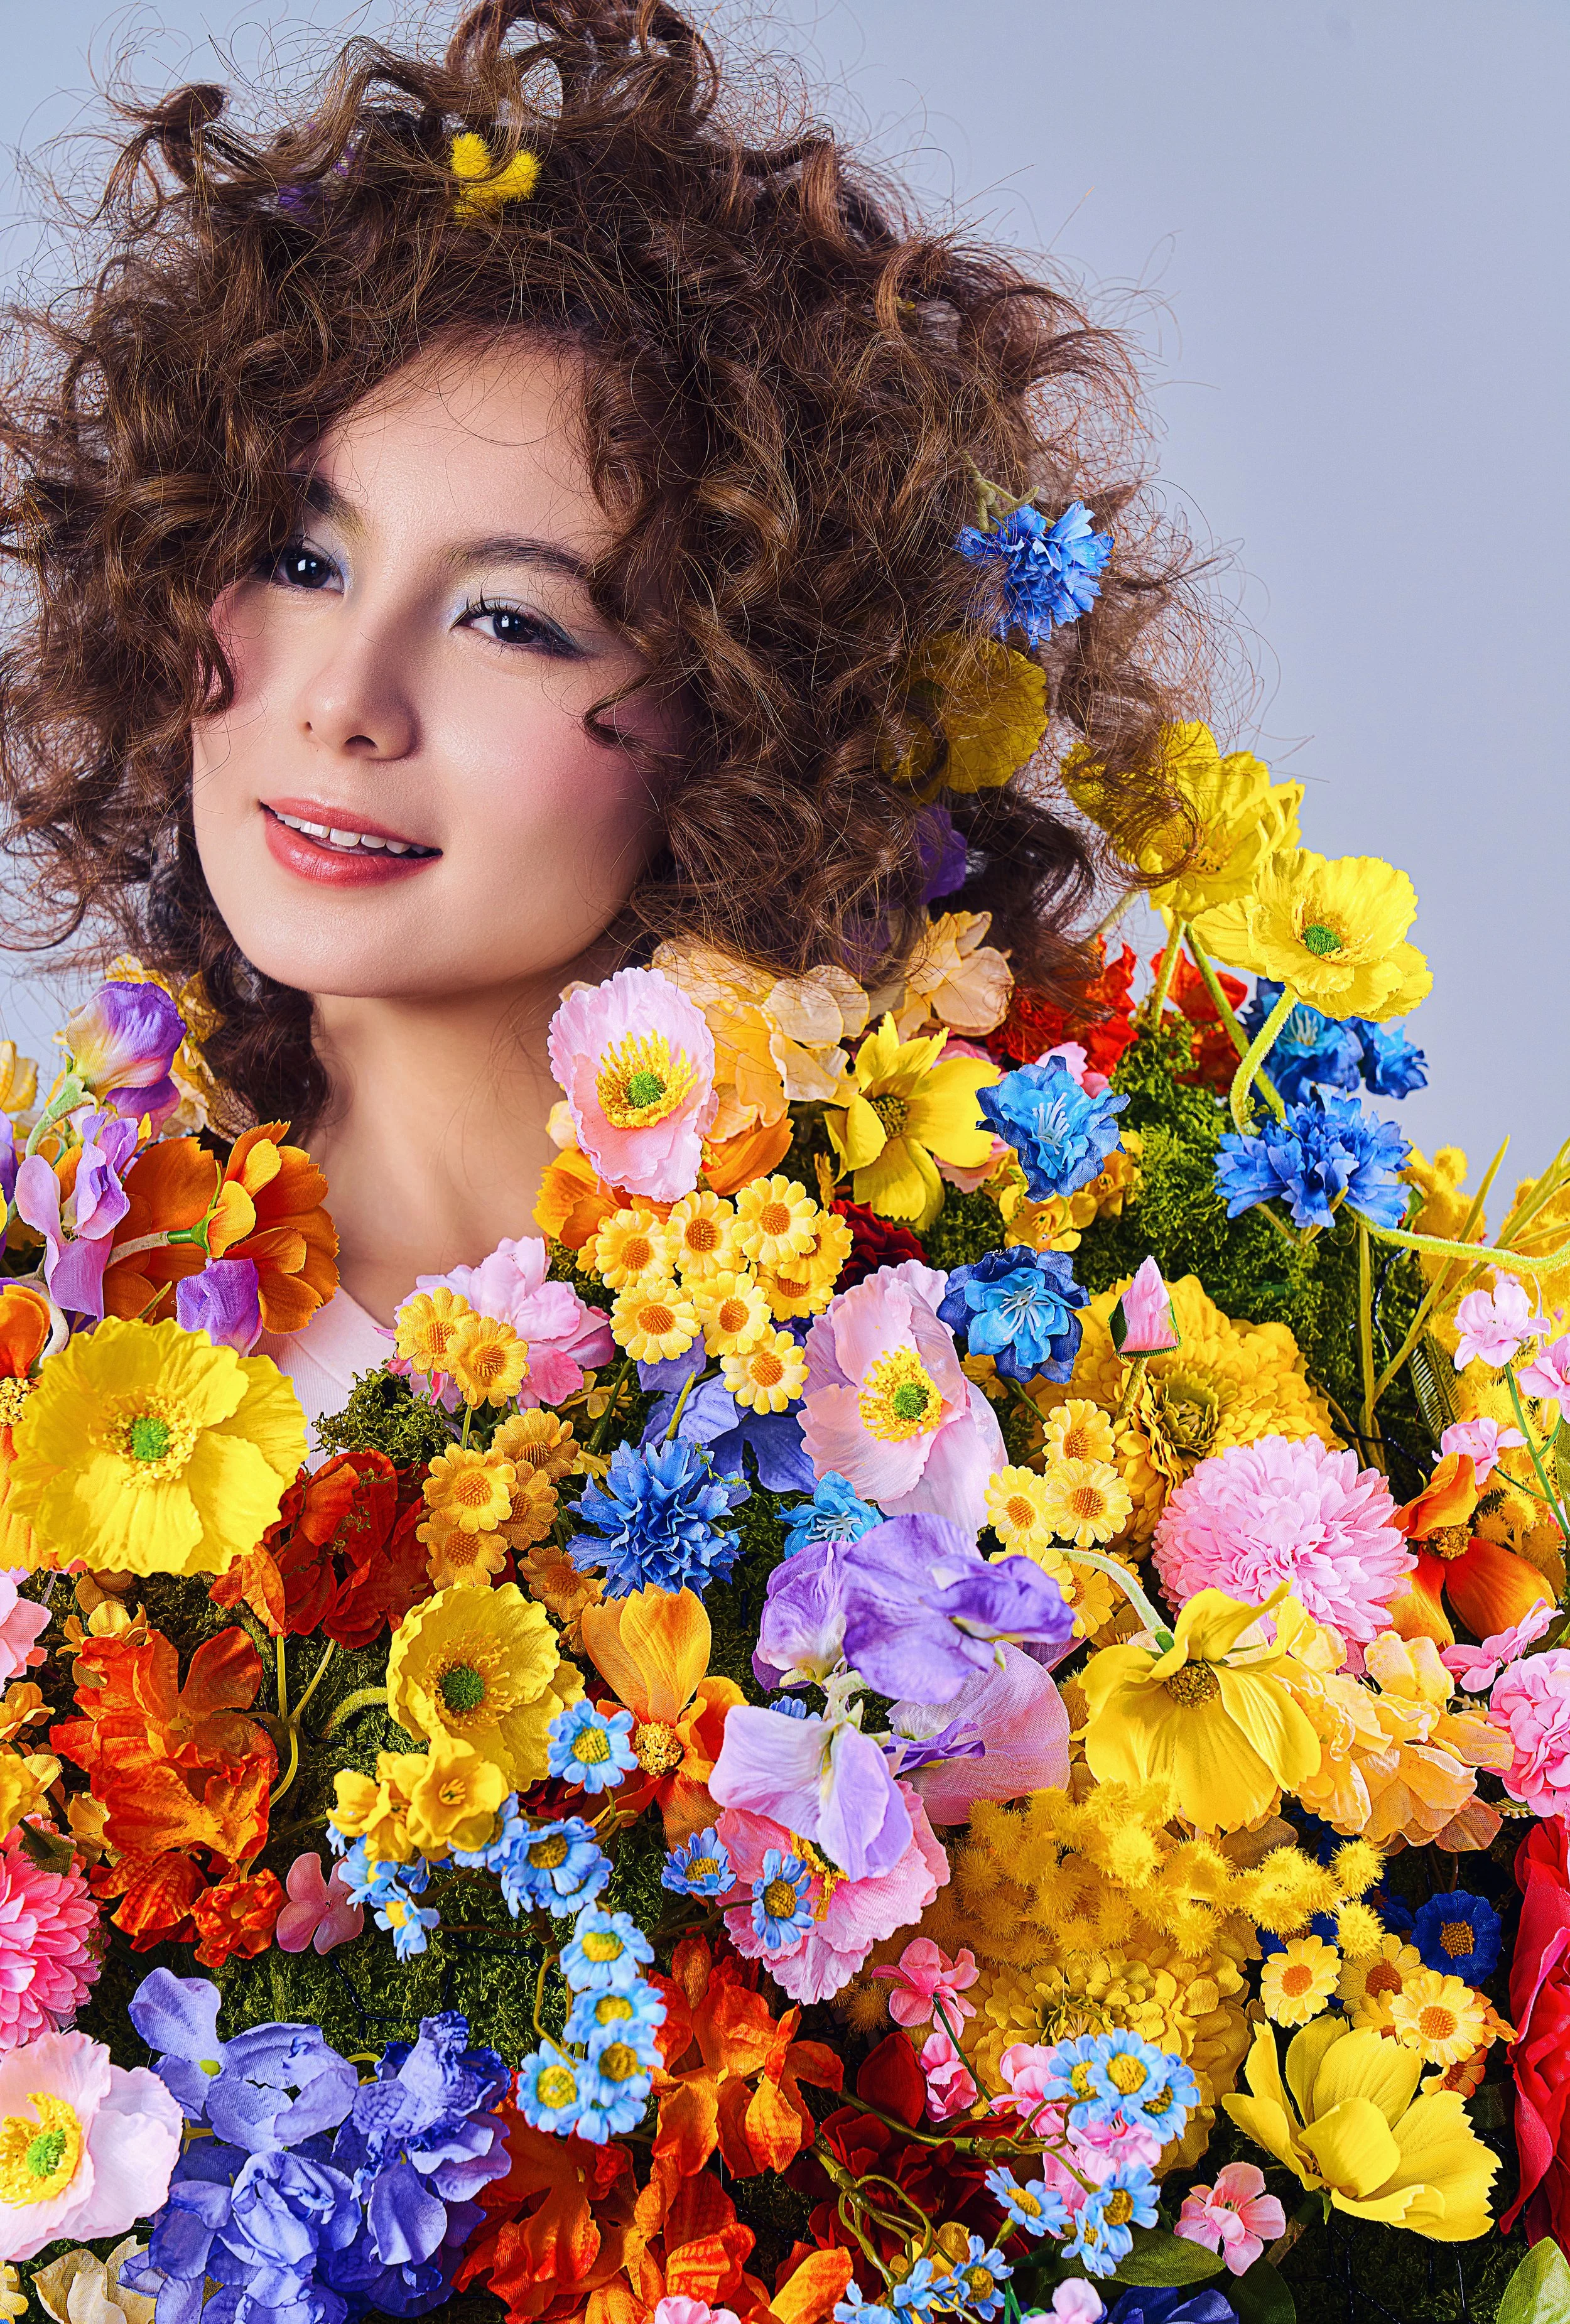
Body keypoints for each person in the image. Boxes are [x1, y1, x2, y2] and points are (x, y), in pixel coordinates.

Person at [0, 0, 1199, 1422]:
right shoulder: (57, 1339)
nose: (343, 702)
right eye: (297, 560)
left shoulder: (958, 1360)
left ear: (749, 728)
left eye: (511, 621)